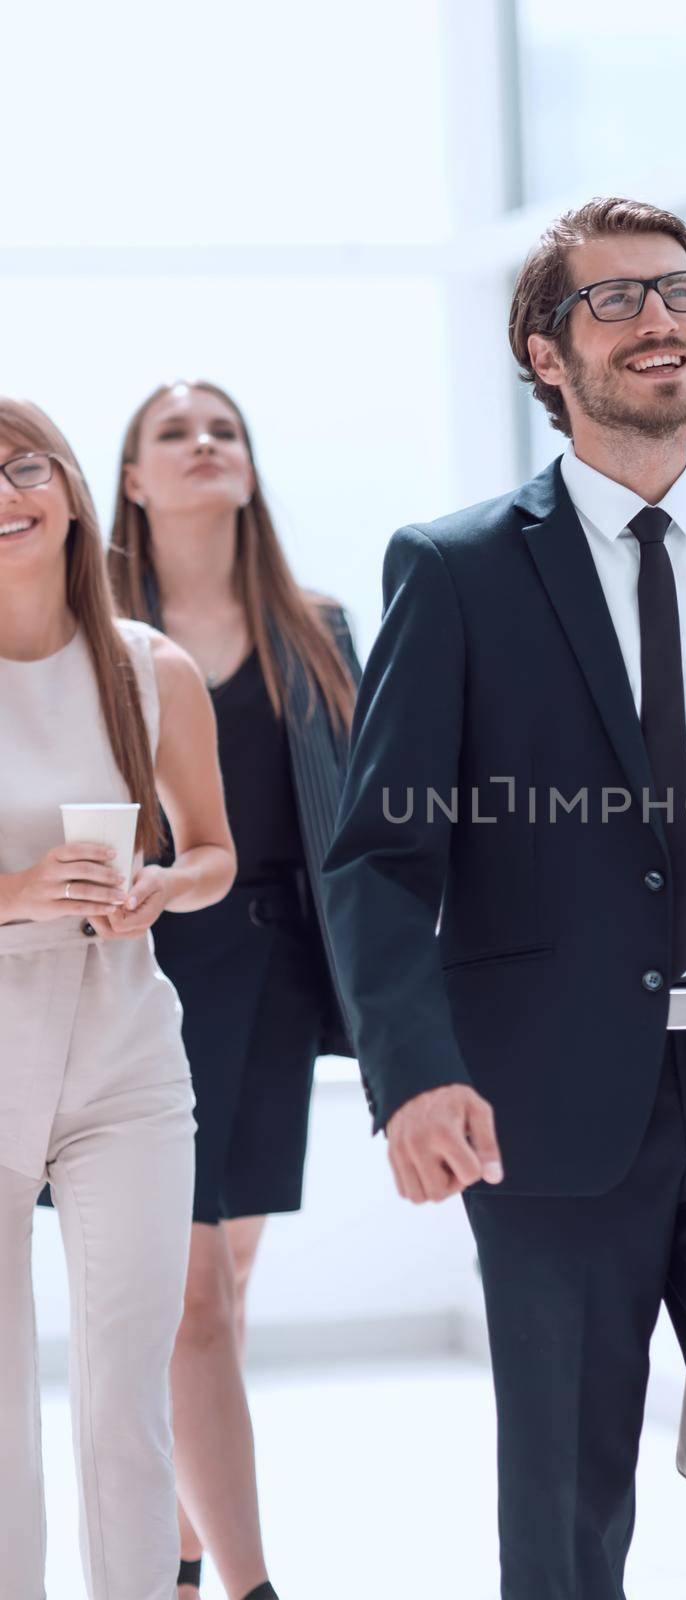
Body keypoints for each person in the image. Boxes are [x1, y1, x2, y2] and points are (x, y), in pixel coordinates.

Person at [324, 197, 686, 1599]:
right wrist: (413, 1076)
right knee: (568, 1506)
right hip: (545, 1107)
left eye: (677, 291)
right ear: (545, 353)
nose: (661, 321)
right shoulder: (453, 571)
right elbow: (383, 858)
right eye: (615, 301)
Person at [108, 381, 361, 1600]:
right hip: (132, 972)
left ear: (249, 473)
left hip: (271, 977)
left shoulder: (317, 627)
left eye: (227, 432)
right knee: (191, 1292)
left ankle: (179, 1556)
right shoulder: (87, 632)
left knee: (226, 1284)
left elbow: (360, 821)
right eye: (176, 432)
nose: (207, 445)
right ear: (134, 481)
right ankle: (248, 1583)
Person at [0, 398, 236, 1598]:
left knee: (124, 1398)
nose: (4, 494)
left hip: (126, 1052)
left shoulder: (150, 667)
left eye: (20, 464)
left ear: (71, 486)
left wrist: (158, 889)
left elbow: (212, 853)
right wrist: (21, 887)